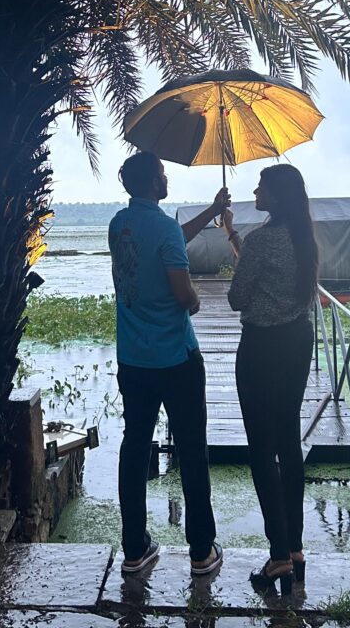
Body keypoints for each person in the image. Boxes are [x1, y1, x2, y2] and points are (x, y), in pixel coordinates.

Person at [109, 150, 228, 576]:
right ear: (151, 181)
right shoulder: (163, 230)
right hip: (176, 359)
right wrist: (194, 302)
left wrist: (213, 210)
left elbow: (169, 238)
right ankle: (201, 550)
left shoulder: (119, 225)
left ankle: (134, 549)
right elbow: (183, 293)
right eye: (162, 174)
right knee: (192, 449)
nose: (167, 179)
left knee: (134, 447)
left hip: (133, 360)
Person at [222, 164, 317, 595]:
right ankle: (294, 549)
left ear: (276, 196)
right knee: (288, 444)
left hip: (261, 348)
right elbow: (270, 274)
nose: (256, 190)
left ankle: (277, 556)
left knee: (262, 450)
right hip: (297, 342)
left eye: (261, 186)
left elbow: (237, 297)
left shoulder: (262, 241)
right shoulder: (303, 236)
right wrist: (233, 235)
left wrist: (240, 257)